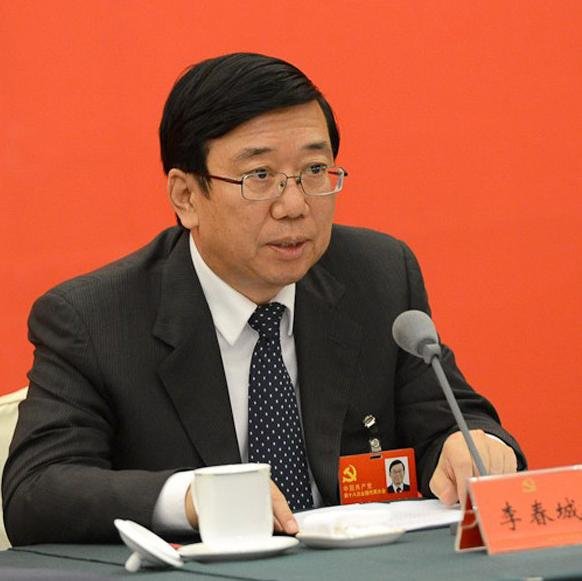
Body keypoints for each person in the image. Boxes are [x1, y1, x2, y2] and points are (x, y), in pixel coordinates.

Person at [3, 52, 525, 545]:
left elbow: (450, 421)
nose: (294, 205)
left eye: (314, 171)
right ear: (186, 196)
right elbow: (35, 491)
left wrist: (473, 445)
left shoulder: (379, 275)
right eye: (260, 177)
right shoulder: (94, 319)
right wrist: (190, 498)